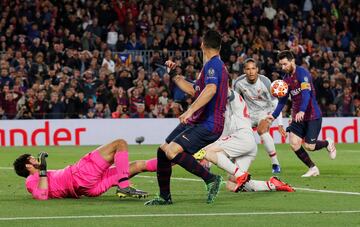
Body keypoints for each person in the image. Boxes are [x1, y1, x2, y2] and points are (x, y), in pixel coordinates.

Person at [144, 30, 234, 206]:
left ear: (202, 44)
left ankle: (211, 179)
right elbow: (195, 90)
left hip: (209, 123)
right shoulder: (210, 67)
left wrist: (190, 110)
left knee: (172, 151)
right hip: (199, 120)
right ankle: (165, 197)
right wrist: (174, 75)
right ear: (220, 46)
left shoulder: (213, 65)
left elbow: (210, 90)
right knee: (163, 151)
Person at [193, 89, 294, 193]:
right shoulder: (223, 110)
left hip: (241, 138)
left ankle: (240, 174)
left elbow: (219, 90)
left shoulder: (232, 95)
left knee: (205, 151)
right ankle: (272, 185)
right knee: (232, 185)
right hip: (246, 144)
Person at [267, 50, 336, 177]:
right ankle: (313, 168)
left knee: (310, 146)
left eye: (285, 64)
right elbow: (282, 102)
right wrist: (273, 115)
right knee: (294, 143)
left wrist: (302, 110)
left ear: (292, 61)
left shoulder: (302, 73)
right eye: (281, 65)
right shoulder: (285, 80)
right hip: (298, 116)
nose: (283, 67)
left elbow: (306, 94)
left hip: (311, 114)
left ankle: (327, 143)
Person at [13, 139, 158, 200]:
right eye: (32, 158)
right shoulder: (31, 180)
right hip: (80, 176)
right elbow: (42, 196)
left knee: (139, 165)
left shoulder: (39, 177)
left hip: (90, 188)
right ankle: (124, 186)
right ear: (27, 166)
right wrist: (43, 171)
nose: (35, 159)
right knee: (120, 143)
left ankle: (173, 157)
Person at [233, 58, 285, 174]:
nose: (251, 71)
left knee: (262, 130)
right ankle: (234, 161)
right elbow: (235, 101)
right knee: (237, 134)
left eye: (253, 68)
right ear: (244, 70)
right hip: (249, 114)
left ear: (257, 69)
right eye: (248, 69)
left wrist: (280, 123)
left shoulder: (265, 82)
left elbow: (276, 103)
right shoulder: (238, 82)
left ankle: (275, 163)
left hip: (265, 112)